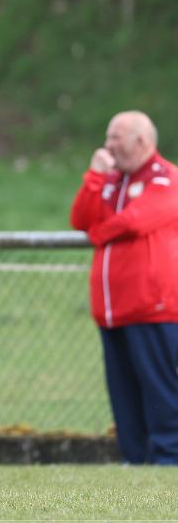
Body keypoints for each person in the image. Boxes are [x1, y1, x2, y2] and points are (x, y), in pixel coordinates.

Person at [70, 111, 178, 465]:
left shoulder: (166, 177)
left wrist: (99, 233)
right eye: (108, 136)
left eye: (117, 137)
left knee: (159, 388)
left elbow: (137, 220)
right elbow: (81, 218)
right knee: (124, 392)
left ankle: (167, 456)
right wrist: (95, 176)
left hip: (153, 308)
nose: (109, 145)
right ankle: (135, 457)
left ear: (142, 141)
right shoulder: (111, 181)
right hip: (112, 311)